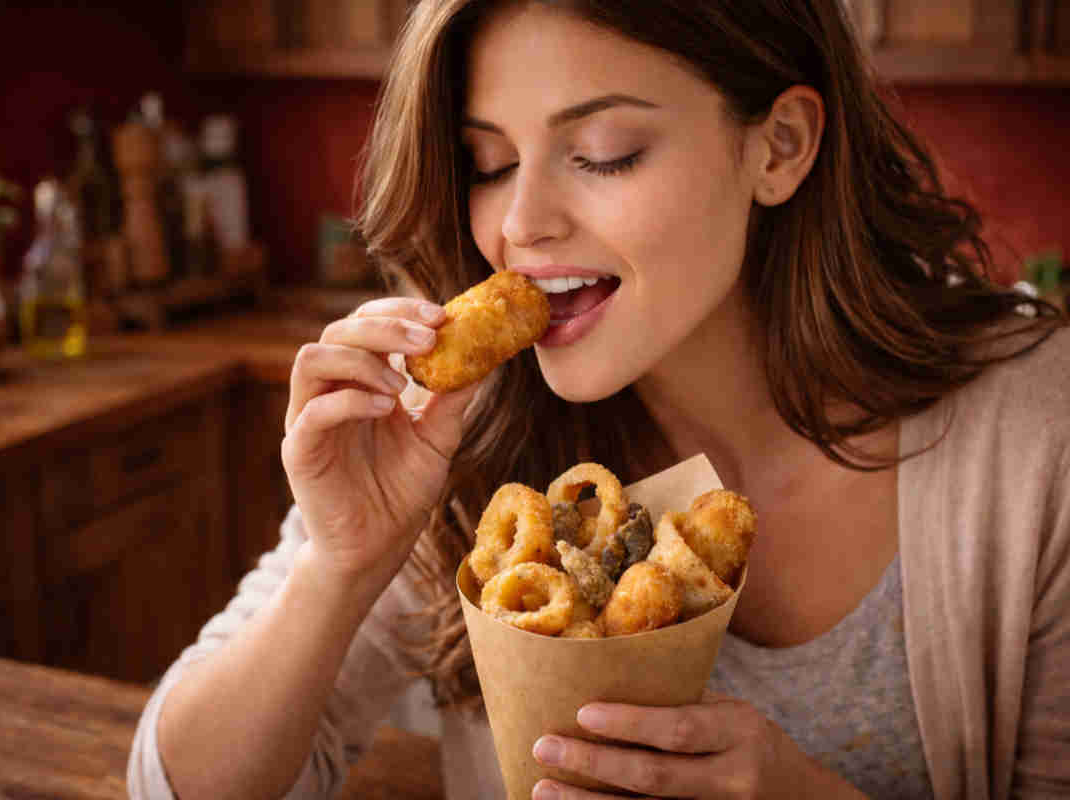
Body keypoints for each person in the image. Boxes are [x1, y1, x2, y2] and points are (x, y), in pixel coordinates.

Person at [129, 1, 1069, 798]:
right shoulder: (460, 443)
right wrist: (339, 566)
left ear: (779, 148)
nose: (520, 223)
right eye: (489, 163)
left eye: (604, 152)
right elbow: (167, 786)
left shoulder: (1037, 438)